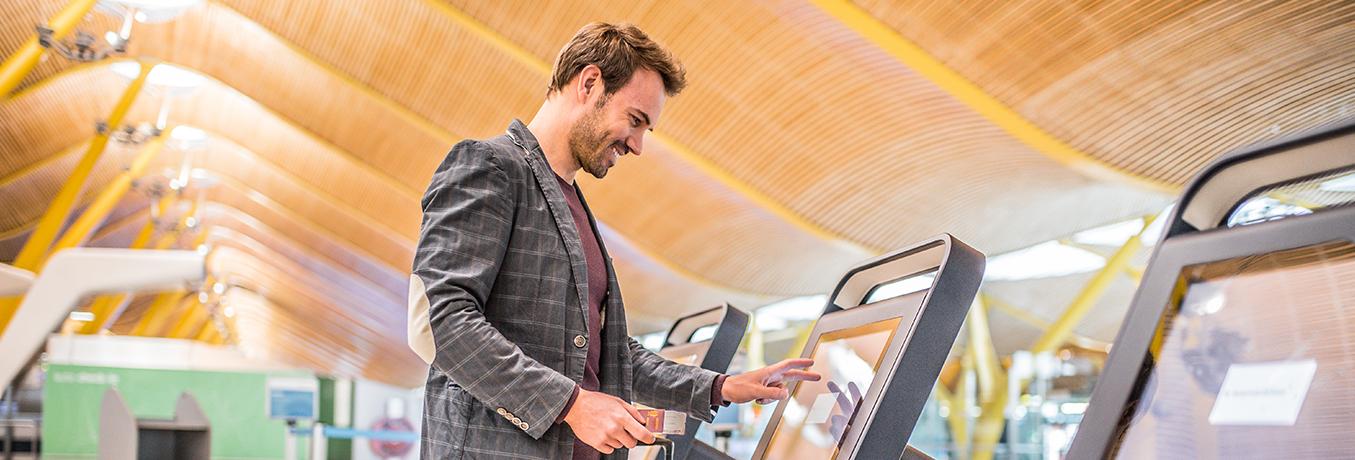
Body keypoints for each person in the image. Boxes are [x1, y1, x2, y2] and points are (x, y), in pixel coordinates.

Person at [407, 22, 820, 459]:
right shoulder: (491, 166)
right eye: (635, 120)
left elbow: (612, 355)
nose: (638, 145)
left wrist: (720, 387)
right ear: (589, 83)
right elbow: (438, 323)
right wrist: (570, 404)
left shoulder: (570, 202)